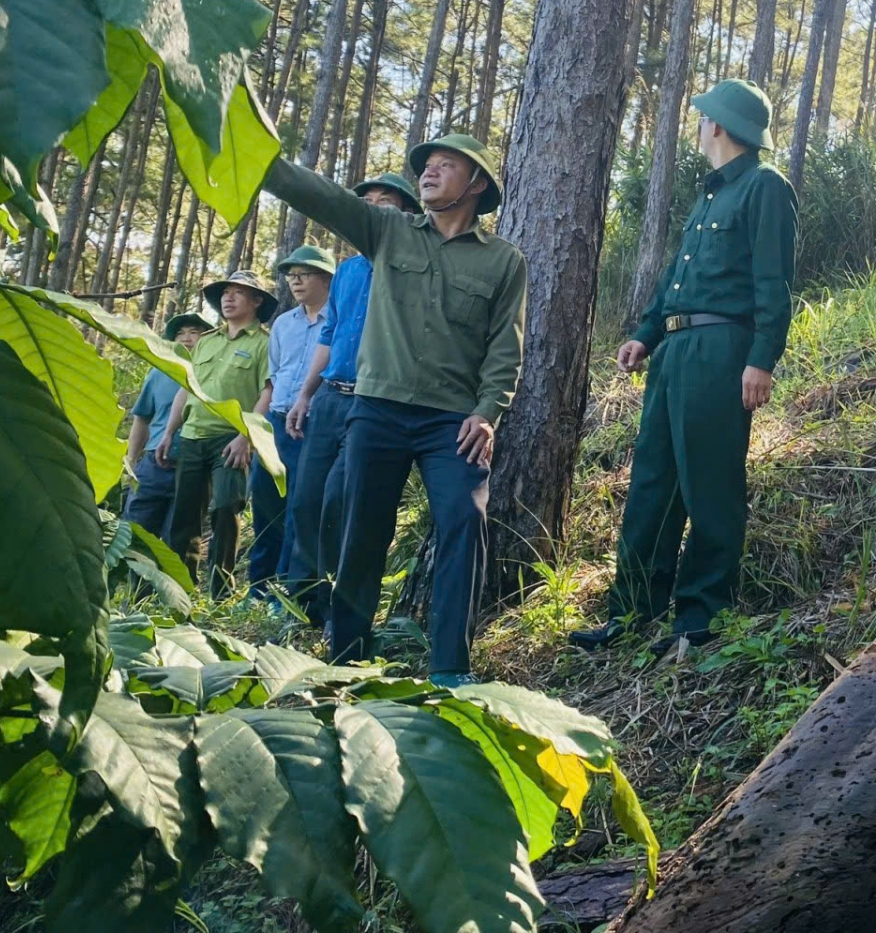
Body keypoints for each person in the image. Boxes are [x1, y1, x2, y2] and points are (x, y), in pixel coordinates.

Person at [261, 134, 524, 685]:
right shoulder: (388, 230)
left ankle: (450, 667)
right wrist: (262, 162)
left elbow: (505, 346)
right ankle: (346, 655)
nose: (428, 174)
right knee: (362, 530)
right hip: (376, 410)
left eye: (445, 166)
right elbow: (323, 198)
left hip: (453, 421)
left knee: (462, 522)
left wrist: (488, 411)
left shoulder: (503, 261)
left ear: (476, 185)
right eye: (426, 167)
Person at [571, 79, 797, 659]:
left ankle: (699, 620)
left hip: (722, 352)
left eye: (702, 118)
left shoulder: (765, 188)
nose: (698, 126)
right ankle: (632, 610)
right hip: (674, 354)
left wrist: (760, 359)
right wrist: (645, 335)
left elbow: (774, 285)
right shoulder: (711, 194)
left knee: (711, 485)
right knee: (652, 484)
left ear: (717, 126)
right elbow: (678, 279)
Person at [281, 172, 422, 626]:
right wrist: (307, 393)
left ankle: (341, 604)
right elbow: (330, 333)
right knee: (305, 500)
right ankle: (304, 603)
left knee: (341, 501)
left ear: (407, 212)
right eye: (368, 200)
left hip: (374, 403)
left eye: (387, 200)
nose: (376, 206)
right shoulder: (346, 270)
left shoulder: (412, 267)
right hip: (330, 398)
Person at [158, 271, 276, 595]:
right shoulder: (206, 341)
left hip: (231, 439)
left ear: (256, 301)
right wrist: (170, 432)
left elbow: (267, 392)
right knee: (185, 516)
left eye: (239, 292)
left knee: (226, 508)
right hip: (193, 437)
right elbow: (187, 388)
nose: (229, 297)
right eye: (226, 292)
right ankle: (181, 589)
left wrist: (247, 436)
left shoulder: (264, 344)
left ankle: (221, 589)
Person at [249, 244, 336, 596]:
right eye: (291, 276)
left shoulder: (339, 320)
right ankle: (257, 588)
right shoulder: (283, 323)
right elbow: (273, 379)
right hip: (276, 421)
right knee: (265, 506)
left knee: (299, 509)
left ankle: (285, 591)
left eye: (304, 275)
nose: (295, 283)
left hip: (312, 426)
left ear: (326, 278)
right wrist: (255, 427)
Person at [121, 312, 210, 542]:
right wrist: (131, 461)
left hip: (193, 464)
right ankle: (134, 579)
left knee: (181, 539)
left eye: (194, 332)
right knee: (135, 531)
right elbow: (142, 419)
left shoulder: (214, 373)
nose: (186, 338)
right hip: (153, 465)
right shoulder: (158, 373)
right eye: (180, 333)